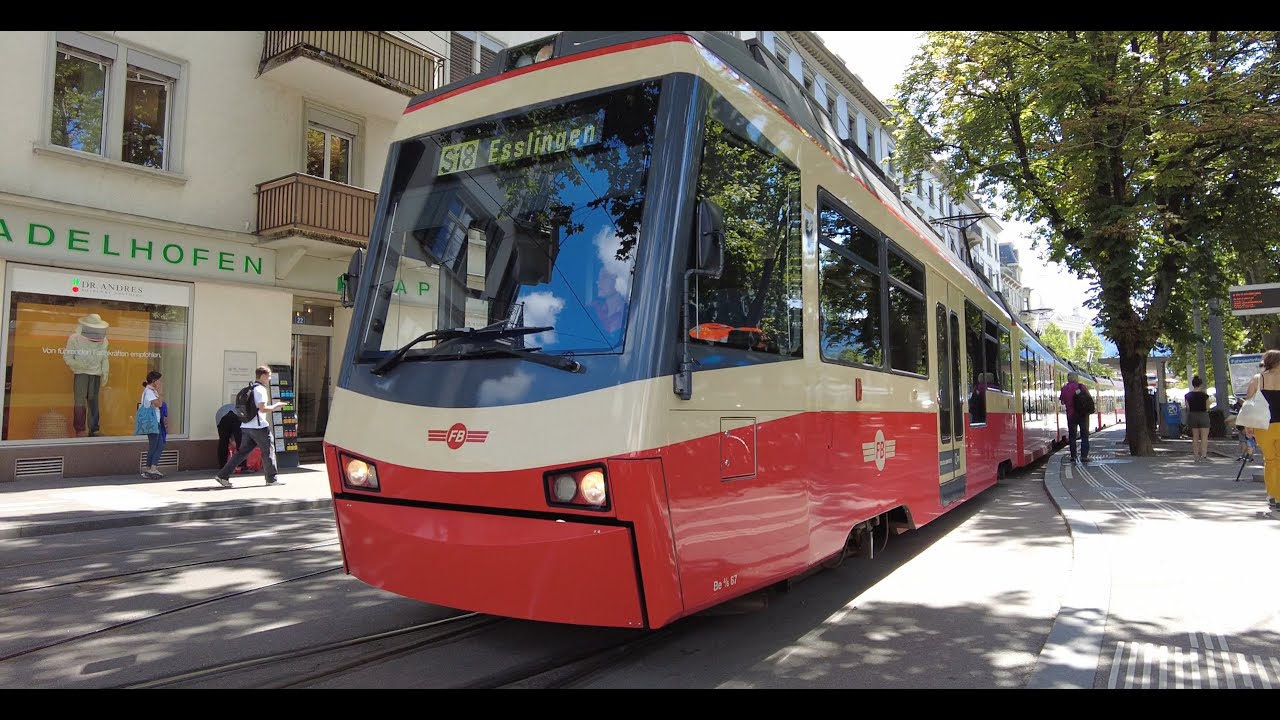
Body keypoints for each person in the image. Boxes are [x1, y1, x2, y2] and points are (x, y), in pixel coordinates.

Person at [214, 365, 285, 488]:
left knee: (241, 453)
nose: (269, 379)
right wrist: (276, 406)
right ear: (263, 376)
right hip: (259, 427)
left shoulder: (250, 388)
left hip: (246, 426)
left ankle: (223, 475)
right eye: (269, 376)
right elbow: (263, 409)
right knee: (268, 451)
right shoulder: (261, 390)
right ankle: (271, 479)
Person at [1243, 350, 1280, 514]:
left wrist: (1248, 425)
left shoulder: (1258, 379)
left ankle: (1272, 494)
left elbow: (1249, 403)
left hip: (1264, 426)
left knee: (1270, 460)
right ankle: (1278, 496)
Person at [64, 313, 110, 437]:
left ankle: (94, 429)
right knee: (80, 402)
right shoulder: (74, 338)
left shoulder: (104, 340)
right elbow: (67, 357)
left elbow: (104, 357)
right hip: (81, 374)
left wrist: (105, 372)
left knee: (94, 402)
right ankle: (80, 429)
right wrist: (78, 365)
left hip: (96, 374)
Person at [139, 371, 165, 479]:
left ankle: (152, 468)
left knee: (159, 445)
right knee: (155, 446)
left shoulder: (151, 391)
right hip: (152, 422)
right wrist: (159, 392)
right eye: (159, 380)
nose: (160, 382)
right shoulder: (150, 392)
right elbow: (159, 404)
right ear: (154, 381)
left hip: (155, 421)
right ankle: (149, 469)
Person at [1060, 371, 1089, 463]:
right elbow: (1088, 398)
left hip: (1071, 415)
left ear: (1068, 378)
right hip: (1082, 414)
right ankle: (1084, 456)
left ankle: (1073, 456)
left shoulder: (1064, 388)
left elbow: (1062, 401)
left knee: (1072, 436)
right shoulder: (1081, 387)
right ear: (1076, 378)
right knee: (1084, 435)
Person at [215, 403, 249, 473]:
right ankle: (242, 466)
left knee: (223, 442)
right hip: (236, 416)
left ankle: (223, 466)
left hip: (221, 416)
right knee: (240, 442)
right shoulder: (242, 414)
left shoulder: (223, 412)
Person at [1184, 375, 1211, 461]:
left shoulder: (1187, 395)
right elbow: (1207, 407)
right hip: (1203, 415)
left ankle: (1196, 455)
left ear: (1193, 384)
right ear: (1201, 384)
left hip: (1193, 415)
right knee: (1204, 437)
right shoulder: (1205, 396)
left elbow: (1187, 407)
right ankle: (1204, 455)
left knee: (1195, 436)